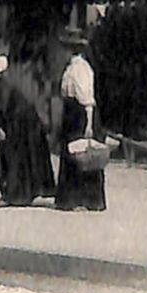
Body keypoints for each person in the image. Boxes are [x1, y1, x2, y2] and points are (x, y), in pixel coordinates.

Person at [0, 51, 56, 206]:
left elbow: (1, 108)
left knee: (17, 156)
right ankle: (29, 191)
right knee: (27, 156)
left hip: (21, 123)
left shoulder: (2, 85)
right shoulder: (7, 83)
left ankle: (17, 194)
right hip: (25, 121)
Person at [52, 26, 106, 212]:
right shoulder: (70, 68)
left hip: (81, 113)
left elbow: (87, 99)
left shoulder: (80, 69)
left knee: (83, 154)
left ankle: (89, 199)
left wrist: (89, 124)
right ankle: (70, 198)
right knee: (71, 154)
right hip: (71, 113)